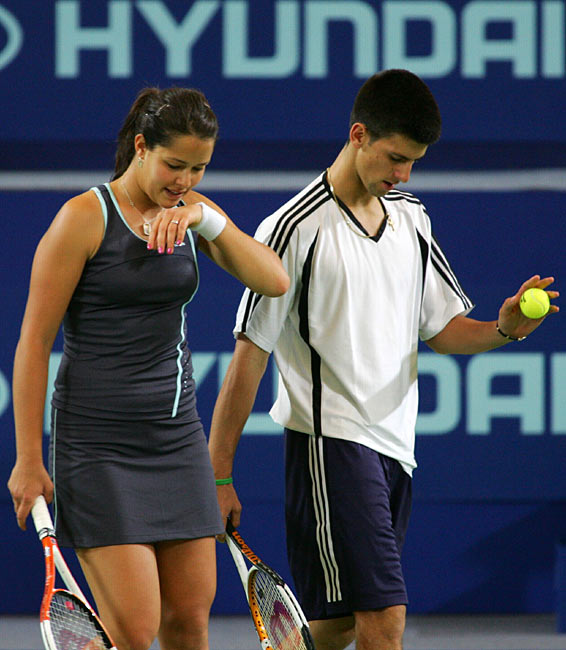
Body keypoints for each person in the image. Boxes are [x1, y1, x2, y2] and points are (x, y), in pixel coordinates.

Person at [207, 69, 559, 650]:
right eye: (395, 157)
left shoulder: (411, 217)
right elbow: (249, 358)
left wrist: (504, 327)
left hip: (396, 448)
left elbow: (442, 330)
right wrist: (218, 473)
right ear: (358, 134)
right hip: (331, 443)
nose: (403, 173)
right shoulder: (292, 229)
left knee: (339, 626)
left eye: (413, 162)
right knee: (385, 620)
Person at [7, 86, 289, 650]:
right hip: (96, 449)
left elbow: (274, 280)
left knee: (188, 624)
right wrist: (29, 461)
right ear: (142, 147)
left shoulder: (192, 216)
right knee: (136, 630)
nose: (184, 180)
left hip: (177, 440)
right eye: (174, 165)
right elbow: (33, 344)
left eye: (200, 169)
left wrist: (205, 220)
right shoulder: (82, 219)